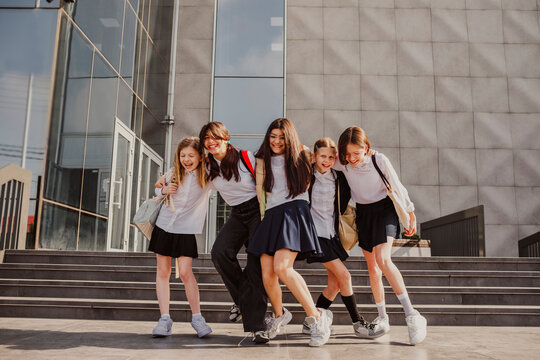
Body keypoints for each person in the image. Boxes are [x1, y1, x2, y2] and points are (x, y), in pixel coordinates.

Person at [335, 126, 427, 345]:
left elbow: (397, 185)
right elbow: (321, 156)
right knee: (373, 268)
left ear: (366, 148)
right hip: (363, 214)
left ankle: (412, 315)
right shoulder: (343, 163)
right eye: (347, 154)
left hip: (384, 211)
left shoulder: (379, 160)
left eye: (356, 153)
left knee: (383, 260)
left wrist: (410, 212)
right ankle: (383, 318)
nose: (352, 158)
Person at [247, 118, 332, 347]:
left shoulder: (303, 153)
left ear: (289, 137)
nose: (276, 141)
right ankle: (278, 315)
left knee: (283, 268)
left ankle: (316, 317)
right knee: (268, 274)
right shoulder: (261, 158)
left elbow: (330, 160)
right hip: (272, 215)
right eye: (273, 136)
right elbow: (256, 185)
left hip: (294, 211)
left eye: (282, 137)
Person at [199, 121, 269, 343]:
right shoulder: (206, 166)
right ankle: (243, 301)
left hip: (257, 211)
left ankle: (258, 327)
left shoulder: (246, 157)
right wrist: (162, 186)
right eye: (206, 139)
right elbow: (180, 172)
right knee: (219, 252)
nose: (211, 142)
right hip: (238, 214)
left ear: (226, 138)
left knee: (255, 263)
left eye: (215, 137)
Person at [305, 137, 381, 338]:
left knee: (335, 284)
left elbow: (356, 169)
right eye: (322, 156)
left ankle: (310, 321)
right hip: (315, 234)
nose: (327, 160)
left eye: (331, 157)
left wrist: (369, 155)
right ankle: (358, 323)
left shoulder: (338, 177)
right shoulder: (306, 174)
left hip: (332, 234)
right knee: (345, 276)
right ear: (314, 157)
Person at [149, 137, 212, 338]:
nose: (186, 159)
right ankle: (164, 318)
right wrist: (162, 189)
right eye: (183, 155)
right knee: (163, 271)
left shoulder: (208, 175)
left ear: (201, 157)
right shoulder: (173, 172)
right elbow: (158, 188)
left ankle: (197, 318)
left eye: (191, 155)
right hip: (164, 226)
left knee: (185, 272)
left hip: (186, 229)